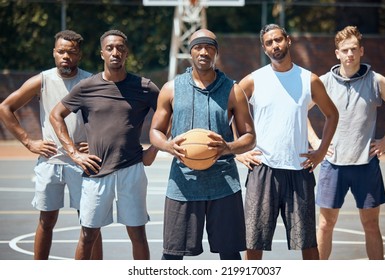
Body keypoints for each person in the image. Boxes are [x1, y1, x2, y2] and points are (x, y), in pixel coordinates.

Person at [50, 29, 160, 260]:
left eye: (120, 47)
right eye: (110, 48)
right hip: (96, 171)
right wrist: (73, 154)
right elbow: (56, 115)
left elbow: (167, 112)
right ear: (102, 53)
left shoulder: (144, 87)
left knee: (138, 234)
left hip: (132, 169)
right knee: (88, 235)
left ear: (126, 53)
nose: (115, 52)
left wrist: (154, 148)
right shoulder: (87, 86)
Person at [149, 28, 256, 260]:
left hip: (224, 182)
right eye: (198, 47)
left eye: (209, 47)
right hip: (183, 183)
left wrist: (228, 148)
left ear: (216, 53)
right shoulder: (171, 88)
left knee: (230, 255)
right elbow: (155, 131)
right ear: (191, 52)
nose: (204, 52)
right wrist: (167, 146)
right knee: (172, 255)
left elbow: (249, 137)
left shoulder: (233, 90)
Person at [236, 23, 339, 260]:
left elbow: (332, 114)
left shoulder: (308, 79)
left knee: (308, 244)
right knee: (253, 243)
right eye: (269, 43)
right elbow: (229, 111)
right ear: (264, 48)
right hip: (263, 170)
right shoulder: (254, 80)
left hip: (298, 170)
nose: (275, 46)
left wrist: (321, 151)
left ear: (288, 40)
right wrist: (237, 152)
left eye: (278, 40)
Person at [0, 30, 103, 260]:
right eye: (61, 52)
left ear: (80, 55)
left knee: (90, 223)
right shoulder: (42, 80)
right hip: (50, 161)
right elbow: (5, 108)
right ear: (54, 53)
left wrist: (95, 143)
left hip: (83, 163)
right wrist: (28, 142)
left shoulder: (90, 81)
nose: (66, 56)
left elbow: (106, 117)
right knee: (46, 221)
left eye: (71, 52)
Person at [308, 26, 385, 260]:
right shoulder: (324, 82)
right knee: (325, 225)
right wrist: (315, 141)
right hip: (333, 165)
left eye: (354, 49)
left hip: (366, 164)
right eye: (345, 50)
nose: (350, 54)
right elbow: (299, 110)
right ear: (337, 53)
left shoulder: (376, 81)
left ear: (361, 50)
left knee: (371, 225)